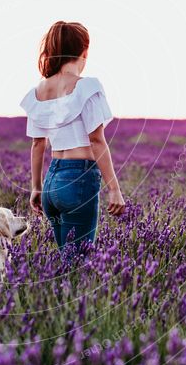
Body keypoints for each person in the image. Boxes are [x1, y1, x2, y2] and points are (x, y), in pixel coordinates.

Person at [20, 21, 125, 263]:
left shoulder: (39, 91)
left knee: (63, 262)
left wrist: (36, 188)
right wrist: (114, 189)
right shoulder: (86, 87)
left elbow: (38, 145)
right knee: (77, 267)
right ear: (84, 52)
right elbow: (97, 140)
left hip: (51, 183)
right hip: (79, 180)